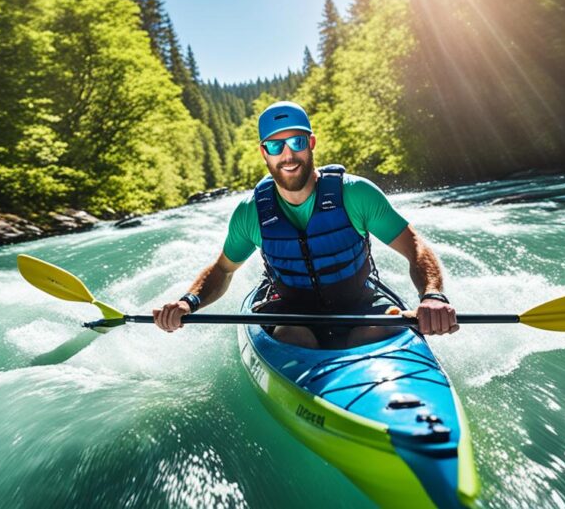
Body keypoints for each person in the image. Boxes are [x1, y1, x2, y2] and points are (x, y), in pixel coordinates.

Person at [152, 101, 458, 348]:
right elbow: (222, 270)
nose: (288, 155)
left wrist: (432, 295)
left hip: (359, 304)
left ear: (310, 143)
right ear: (264, 153)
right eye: (275, 146)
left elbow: (414, 246)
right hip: (291, 313)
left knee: (380, 329)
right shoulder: (250, 214)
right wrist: (187, 302)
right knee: (293, 336)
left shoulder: (355, 194)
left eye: (296, 142)